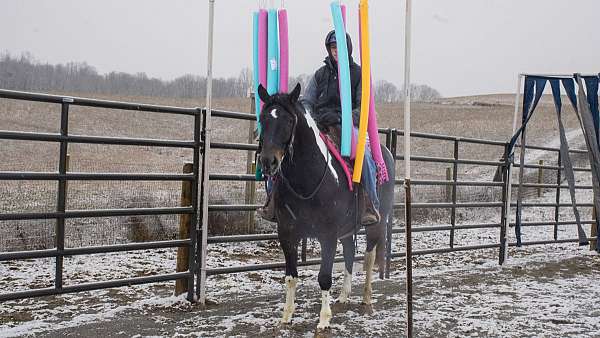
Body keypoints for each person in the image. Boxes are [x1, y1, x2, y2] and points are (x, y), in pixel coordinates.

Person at [260, 30, 380, 226]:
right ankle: (273, 200)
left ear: (347, 49)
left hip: (347, 126)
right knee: (289, 151)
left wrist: (342, 117)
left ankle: (369, 204)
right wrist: (315, 118)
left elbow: (363, 108)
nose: (335, 52)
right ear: (329, 49)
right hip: (321, 124)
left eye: (339, 48)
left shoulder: (359, 74)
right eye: (333, 48)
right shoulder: (320, 74)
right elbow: (307, 101)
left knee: (364, 155)